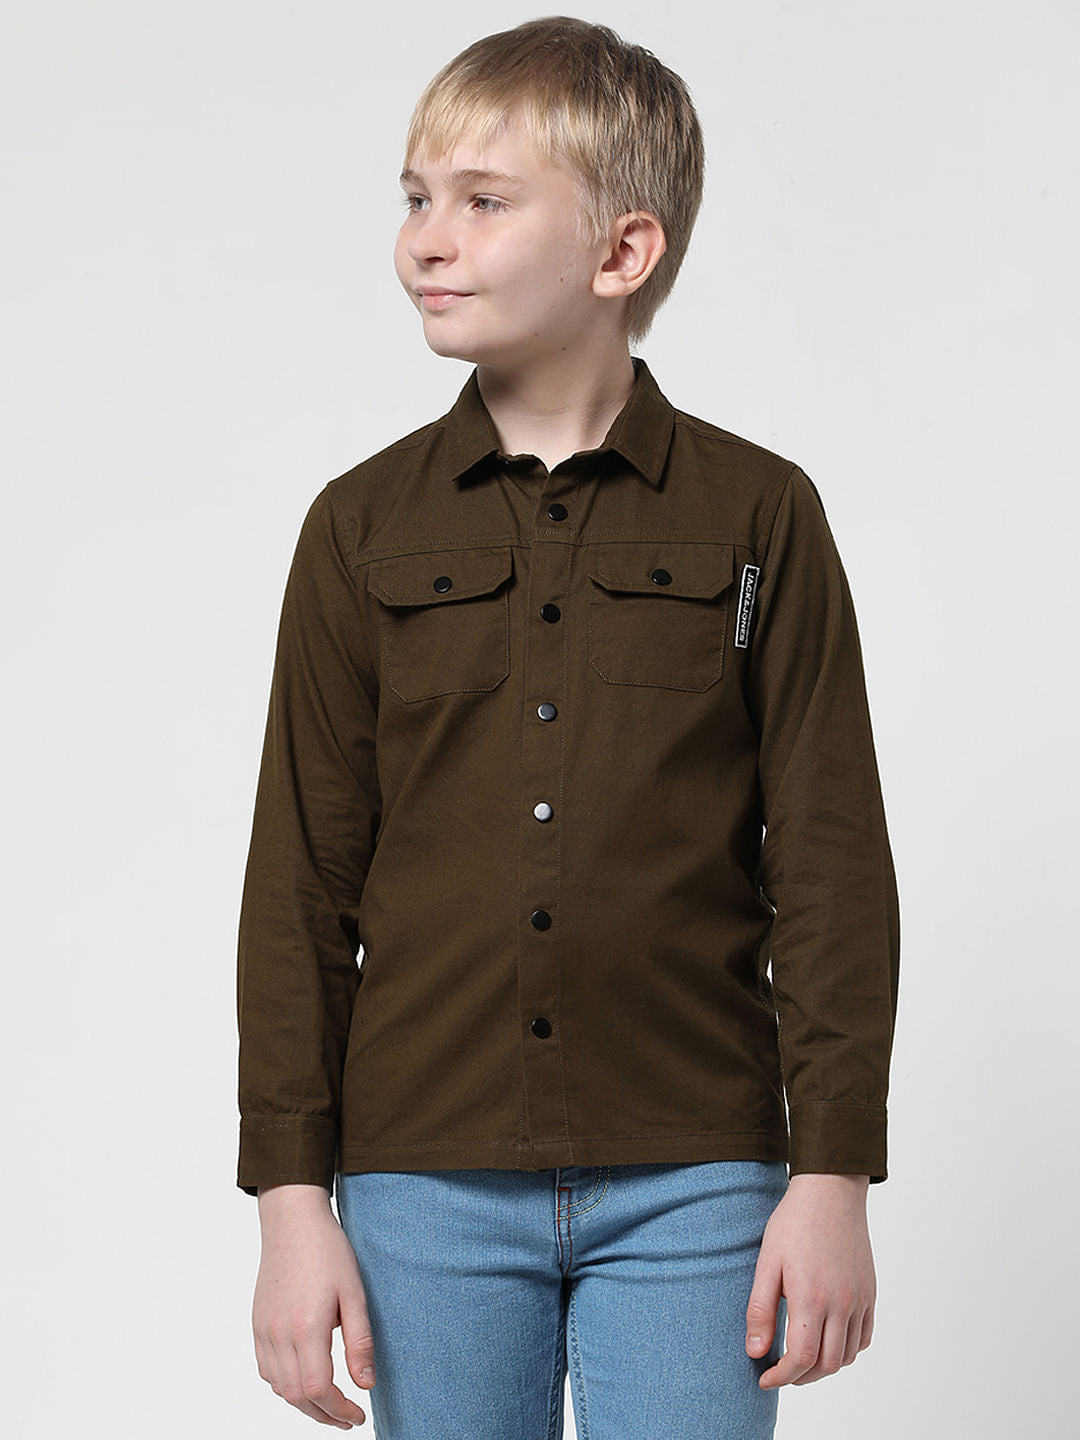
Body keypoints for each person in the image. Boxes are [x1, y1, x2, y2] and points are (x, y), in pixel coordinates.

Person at [236, 16, 900, 1438]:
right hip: (423, 1180)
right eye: (416, 197)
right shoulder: (358, 529)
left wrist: (833, 1175)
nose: (425, 240)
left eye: (483, 200)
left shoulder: (760, 516)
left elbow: (831, 863)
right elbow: (298, 884)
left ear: (621, 252)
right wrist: (293, 1203)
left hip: (700, 1177)